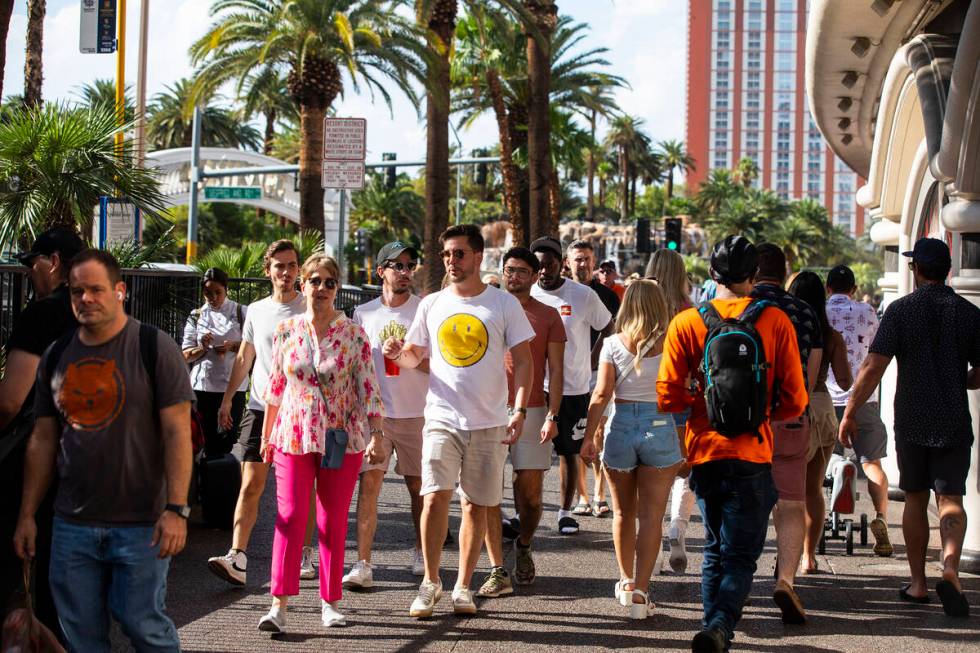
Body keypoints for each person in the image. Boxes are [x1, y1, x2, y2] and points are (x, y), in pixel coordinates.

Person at [13, 249, 194, 652]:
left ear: (120, 291)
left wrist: (177, 510)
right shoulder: (57, 355)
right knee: (80, 636)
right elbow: (43, 439)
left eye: (96, 289)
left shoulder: (153, 347)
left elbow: (177, 435)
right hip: (71, 525)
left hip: (141, 524)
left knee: (143, 625)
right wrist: (27, 514)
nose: (86, 299)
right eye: (78, 291)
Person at [658, 236, 807, 652]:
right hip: (754, 452)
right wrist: (757, 412)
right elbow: (795, 400)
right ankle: (720, 626)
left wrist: (700, 397)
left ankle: (713, 627)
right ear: (754, 276)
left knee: (714, 547)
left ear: (711, 273)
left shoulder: (687, 322)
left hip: (705, 449)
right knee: (741, 555)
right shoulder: (776, 321)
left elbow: (667, 396)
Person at [382, 224, 534, 618]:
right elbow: (415, 356)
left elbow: (524, 361)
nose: (451, 260)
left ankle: (464, 585)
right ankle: (430, 582)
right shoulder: (432, 304)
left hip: (488, 421)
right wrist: (399, 353)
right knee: (433, 496)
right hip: (441, 417)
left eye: (459, 253)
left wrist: (518, 410)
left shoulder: (503, 305)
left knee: (476, 506)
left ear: (479, 257)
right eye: (447, 254)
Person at [840, 238, 980, 617]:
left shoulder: (902, 311)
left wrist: (851, 411)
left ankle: (918, 585)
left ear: (916, 269)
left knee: (916, 499)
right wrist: (963, 379)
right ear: (948, 269)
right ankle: (950, 566)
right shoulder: (968, 313)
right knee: (951, 499)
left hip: (913, 420)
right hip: (953, 418)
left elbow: (874, 366)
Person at [256, 254, 383, 633]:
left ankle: (329, 601)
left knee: (330, 521)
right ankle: (278, 604)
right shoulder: (287, 330)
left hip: (340, 440)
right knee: (291, 516)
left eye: (329, 282)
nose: (322, 288)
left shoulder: (354, 334)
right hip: (292, 437)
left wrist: (377, 435)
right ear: (303, 284)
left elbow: (369, 390)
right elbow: (275, 389)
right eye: (315, 280)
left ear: (337, 288)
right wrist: (266, 436)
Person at [207, 240, 314, 586]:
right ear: (267, 270)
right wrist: (227, 399)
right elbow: (244, 358)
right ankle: (237, 556)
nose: (286, 272)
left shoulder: (309, 306)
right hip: (259, 406)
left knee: (300, 489)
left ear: (299, 270)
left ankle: (304, 553)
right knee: (250, 483)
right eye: (279, 266)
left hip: (301, 410)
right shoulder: (256, 310)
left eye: (292, 265)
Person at [580, 279, 683, 619]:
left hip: (621, 426)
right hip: (659, 426)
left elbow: (600, 395)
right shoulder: (671, 344)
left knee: (623, 513)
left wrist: (588, 437)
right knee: (652, 516)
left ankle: (624, 582)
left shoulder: (611, 343)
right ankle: (641, 591)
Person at [0, 227, 83, 635]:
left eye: (32, 264)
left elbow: (10, 400)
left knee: (28, 565)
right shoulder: (105, 315)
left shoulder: (43, 314)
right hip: (94, 460)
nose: (30, 273)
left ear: (52, 263)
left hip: (38, 457)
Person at [477, 247, 565, 597]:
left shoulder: (548, 315)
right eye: (509, 270)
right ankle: (498, 568)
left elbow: (556, 369)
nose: (514, 276)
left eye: (522, 271)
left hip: (533, 410)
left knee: (529, 496)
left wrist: (554, 415)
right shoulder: (487, 307)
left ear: (534, 275)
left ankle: (524, 544)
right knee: (487, 492)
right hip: (488, 410)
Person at [343, 242, 428, 588]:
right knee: (370, 485)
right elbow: (354, 366)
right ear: (381, 271)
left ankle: (422, 552)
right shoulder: (363, 314)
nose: (405, 272)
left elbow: (438, 367)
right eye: (397, 266)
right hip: (375, 416)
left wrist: (410, 359)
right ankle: (363, 564)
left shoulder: (425, 310)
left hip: (418, 414)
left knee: (419, 489)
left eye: (410, 266)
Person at [749, 243, 823, 624]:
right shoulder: (804, 311)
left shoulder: (740, 306)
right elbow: (810, 374)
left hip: (744, 422)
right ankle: (786, 580)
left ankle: (739, 577)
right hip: (792, 417)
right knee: (792, 503)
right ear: (785, 270)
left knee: (744, 500)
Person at [530, 237, 613, 534]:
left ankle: (565, 512)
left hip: (573, 387)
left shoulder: (582, 295)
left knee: (569, 452)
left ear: (561, 262)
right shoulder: (524, 294)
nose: (544, 271)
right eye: (538, 265)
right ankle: (527, 511)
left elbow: (608, 326)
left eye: (549, 264)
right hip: (533, 388)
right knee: (529, 453)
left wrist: (593, 359)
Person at [825, 264, 893, 556]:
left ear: (828, 288)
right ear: (853, 289)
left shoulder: (819, 312)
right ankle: (880, 518)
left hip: (826, 399)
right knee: (873, 463)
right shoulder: (867, 312)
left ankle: (838, 470)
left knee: (818, 463)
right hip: (863, 399)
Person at [788, 271, 852, 574]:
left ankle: (786, 555)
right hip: (824, 406)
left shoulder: (787, 327)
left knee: (788, 491)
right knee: (813, 488)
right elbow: (845, 380)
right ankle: (808, 557)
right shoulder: (830, 335)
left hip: (793, 407)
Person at [646, 248, 697, 574]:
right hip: (680, 398)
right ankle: (677, 526)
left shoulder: (641, 305)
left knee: (650, 474)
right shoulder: (689, 311)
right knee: (683, 469)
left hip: (644, 398)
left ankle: (651, 559)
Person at [565, 240, 620, 517]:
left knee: (598, 433)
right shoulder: (561, 293)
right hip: (569, 375)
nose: (582, 264)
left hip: (599, 372)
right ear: (568, 262)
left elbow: (613, 331)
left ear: (594, 260)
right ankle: (581, 496)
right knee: (573, 436)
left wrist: (595, 357)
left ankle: (599, 492)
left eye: (587, 258)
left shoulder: (608, 296)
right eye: (577, 259)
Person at [181, 267, 248, 458]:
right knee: (204, 440)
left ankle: (224, 480)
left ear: (226, 289)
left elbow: (253, 347)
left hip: (233, 387)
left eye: (218, 292)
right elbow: (186, 354)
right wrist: (202, 348)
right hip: (203, 388)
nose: (213, 297)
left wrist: (233, 346)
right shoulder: (197, 315)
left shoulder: (241, 312)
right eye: (208, 293)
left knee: (227, 439)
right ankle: (206, 481)